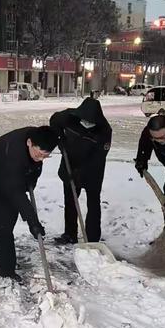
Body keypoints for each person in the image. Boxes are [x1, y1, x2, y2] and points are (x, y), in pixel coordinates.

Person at [0, 126, 58, 282]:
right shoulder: (13, 156)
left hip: (9, 182)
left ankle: (0, 253)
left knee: (10, 218)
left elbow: (58, 124)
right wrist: (33, 222)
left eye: (45, 157)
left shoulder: (38, 136)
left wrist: (30, 178)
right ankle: (7, 270)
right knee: (3, 223)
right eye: (38, 154)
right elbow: (16, 193)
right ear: (29, 143)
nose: (40, 159)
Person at [50, 97, 112, 244]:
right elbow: (54, 121)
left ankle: (92, 239)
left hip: (92, 171)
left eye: (90, 121)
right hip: (69, 163)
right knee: (70, 201)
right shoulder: (69, 117)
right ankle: (70, 234)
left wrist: (79, 173)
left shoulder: (104, 130)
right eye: (84, 119)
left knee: (93, 203)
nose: (86, 123)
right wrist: (60, 139)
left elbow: (98, 158)